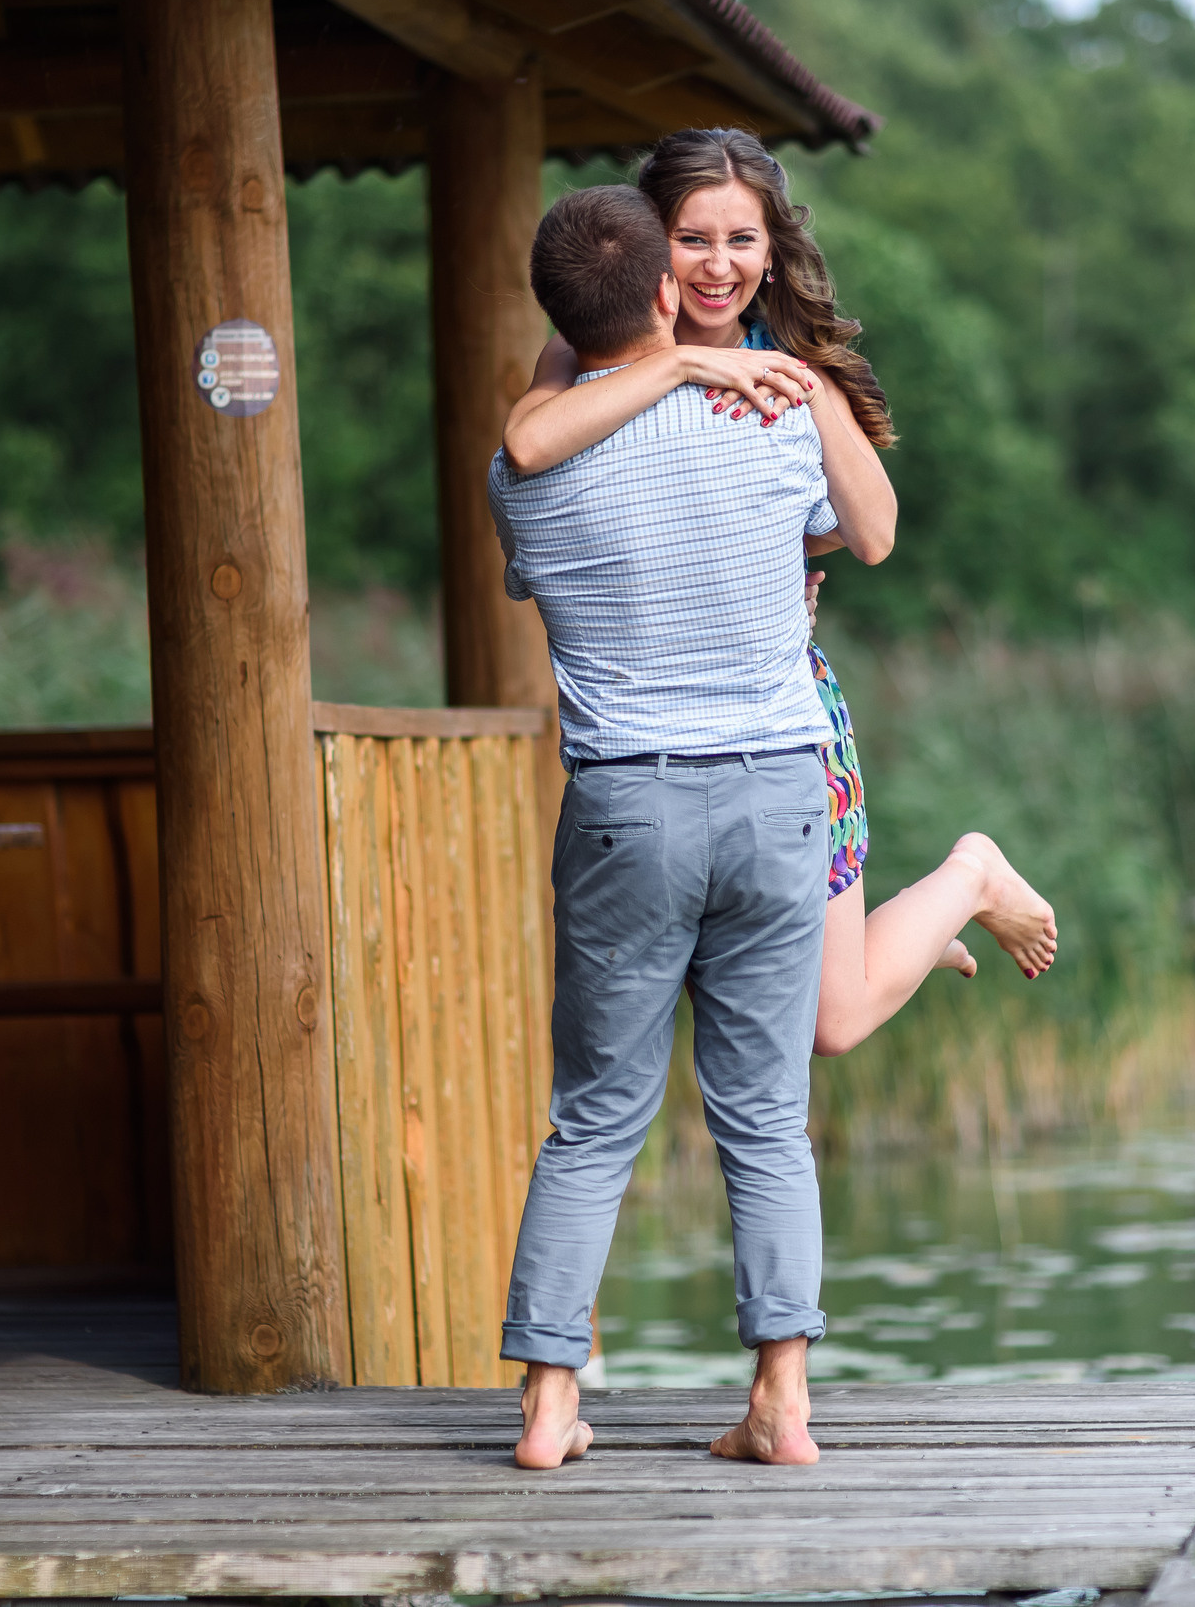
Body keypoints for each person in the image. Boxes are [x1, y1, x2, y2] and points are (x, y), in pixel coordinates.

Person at [503, 128, 1058, 1061]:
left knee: (831, 1026)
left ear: (772, 248)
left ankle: (969, 875)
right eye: (693, 239)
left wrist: (802, 400)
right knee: (785, 1014)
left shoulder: (791, 366)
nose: (719, 268)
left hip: (781, 728)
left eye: (743, 240)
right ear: (651, 246)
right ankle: (909, 941)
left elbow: (874, 533)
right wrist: (681, 364)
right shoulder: (589, 344)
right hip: (657, 757)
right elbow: (527, 443)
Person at [490, 184, 843, 1472]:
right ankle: (782, 1403)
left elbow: (535, 429)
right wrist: (716, 364)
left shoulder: (519, 471)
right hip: (772, 791)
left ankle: (545, 1407)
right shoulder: (767, 425)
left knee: (592, 1118)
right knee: (765, 1117)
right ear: (664, 291)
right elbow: (851, 537)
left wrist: (629, 352)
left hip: (625, 801)